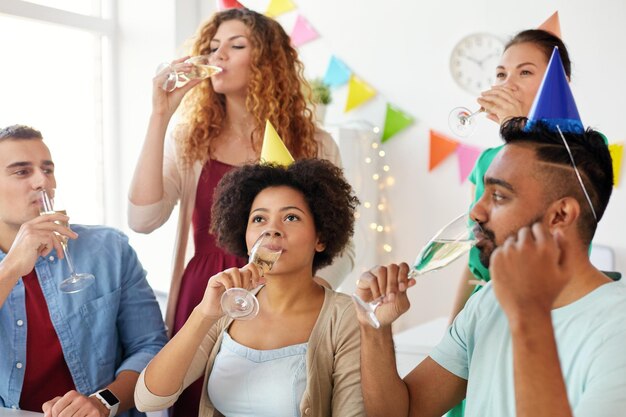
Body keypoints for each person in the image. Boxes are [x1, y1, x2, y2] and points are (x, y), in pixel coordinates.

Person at [357, 119, 626, 417]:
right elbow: (403, 413)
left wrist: (528, 315)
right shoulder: (488, 302)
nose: (476, 211)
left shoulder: (617, 327)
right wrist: (375, 329)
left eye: (499, 196)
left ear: (560, 215)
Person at [134, 159, 364, 417]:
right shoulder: (226, 310)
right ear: (245, 238)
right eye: (259, 219)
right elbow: (148, 399)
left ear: (320, 238)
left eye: (291, 217)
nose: (272, 230)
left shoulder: (346, 318)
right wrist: (203, 314)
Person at [0, 125, 167, 416]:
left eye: (47, 169)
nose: (42, 181)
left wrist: (104, 402)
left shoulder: (109, 249)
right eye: (22, 172)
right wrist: (12, 267)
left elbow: (151, 347)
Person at [450, 29, 575, 321]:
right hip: (486, 311)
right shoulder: (487, 161)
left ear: (560, 84)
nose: (508, 85)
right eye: (501, 74)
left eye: (525, 72)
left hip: (551, 312)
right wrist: (454, 325)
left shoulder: (581, 153)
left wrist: (516, 127)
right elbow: (475, 255)